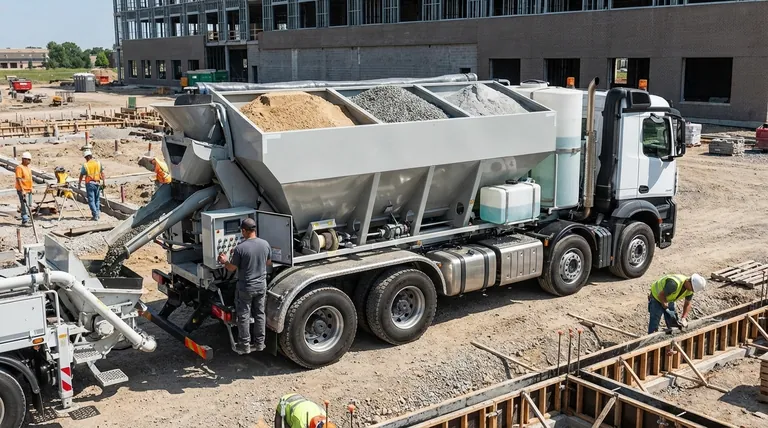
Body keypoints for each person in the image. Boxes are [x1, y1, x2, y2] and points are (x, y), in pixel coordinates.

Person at [217, 218, 272, 354]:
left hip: (246, 287)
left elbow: (231, 268)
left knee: (244, 315)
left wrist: (224, 261)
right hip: (261, 285)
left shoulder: (240, 248)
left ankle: (245, 344)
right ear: (254, 230)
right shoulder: (265, 244)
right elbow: (269, 262)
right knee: (259, 314)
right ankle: (260, 343)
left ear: (244, 231)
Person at [78, 149, 105, 221]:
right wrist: (104, 183)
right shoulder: (98, 163)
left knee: (91, 200)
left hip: (89, 184)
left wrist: (79, 184)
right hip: (97, 183)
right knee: (97, 200)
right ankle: (97, 214)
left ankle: (95, 214)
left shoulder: (86, 165)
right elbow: (102, 173)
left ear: (86, 157)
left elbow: (81, 175)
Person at [15, 152, 33, 226]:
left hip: (28, 189)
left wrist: (31, 188)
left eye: (29, 160)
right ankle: (25, 220)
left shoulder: (28, 168)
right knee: (24, 205)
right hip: (23, 190)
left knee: (29, 205)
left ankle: (27, 219)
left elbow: (29, 178)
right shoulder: (19, 167)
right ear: (23, 159)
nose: (29, 161)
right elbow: (19, 179)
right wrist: (22, 190)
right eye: (27, 159)